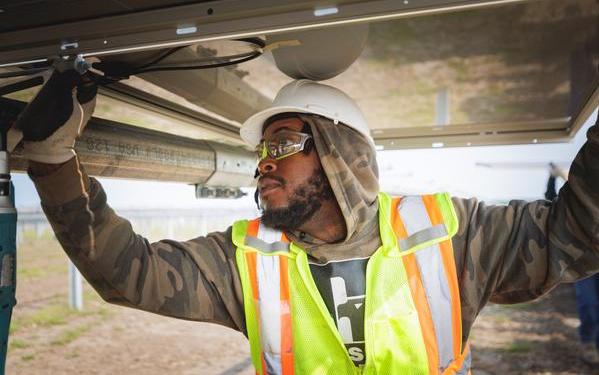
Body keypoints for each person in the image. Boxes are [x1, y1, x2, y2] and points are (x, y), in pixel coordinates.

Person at [22, 73, 599, 374]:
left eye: (284, 143)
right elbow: (129, 273)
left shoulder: (453, 234)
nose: (264, 163)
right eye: (262, 153)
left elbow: (575, 232)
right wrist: (51, 162)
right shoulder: (243, 259)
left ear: (340, 156)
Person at [545, 164, 599, 365]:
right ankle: (588, 344)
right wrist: (553, 177)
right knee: (589, 303)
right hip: (583, 264)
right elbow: (551, 202)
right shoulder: (577, 201)